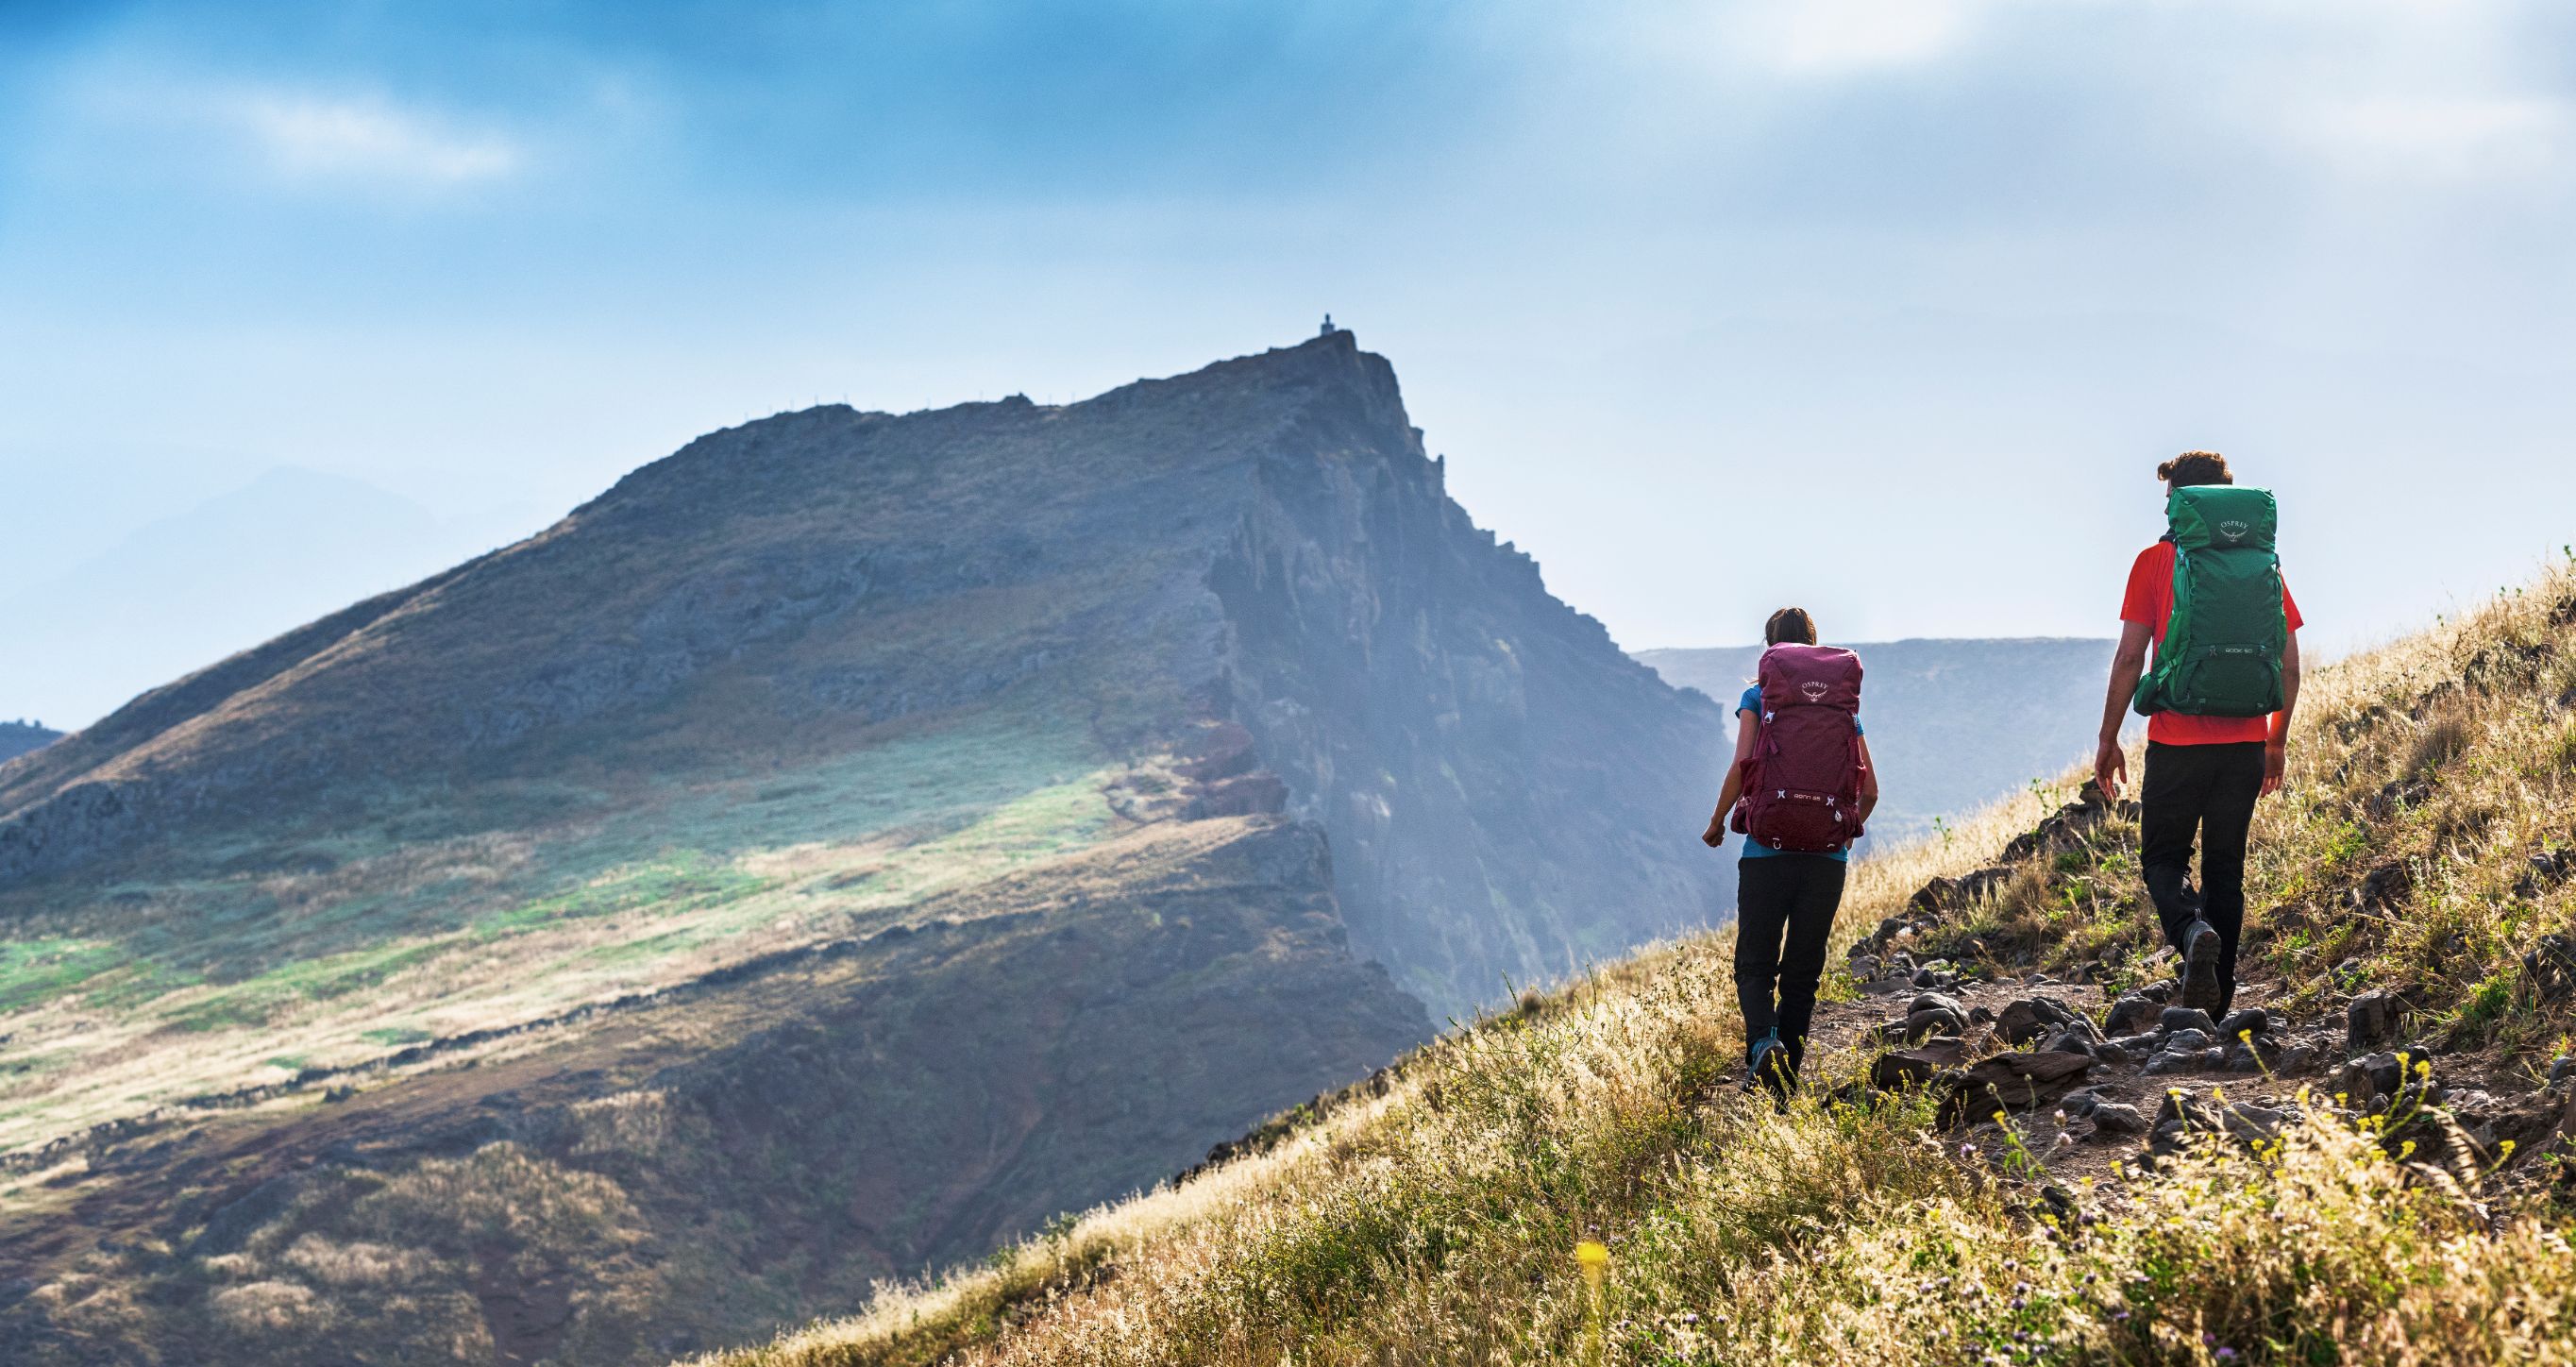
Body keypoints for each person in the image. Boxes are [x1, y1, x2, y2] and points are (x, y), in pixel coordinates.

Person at [2093, 451, 2302, 1017]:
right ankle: (2217, 1003)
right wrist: (2275, 742)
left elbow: (2130, 656)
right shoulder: (2263, 567)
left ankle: (2189, 934)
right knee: (2225, 869)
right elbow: (2288, 666)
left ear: (2182, 503)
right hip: (2243, 746)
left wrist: (2109, 739)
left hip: (2176, 743)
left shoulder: (2154, 562)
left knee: (2163, 860)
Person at [1701, 607, 1879, 1092]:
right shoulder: (1844, 708)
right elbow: (1870, 792)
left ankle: (1762, 1046)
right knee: (1803, 973)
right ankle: (1783, 1092)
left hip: (1766, 853)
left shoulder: (1759, 695)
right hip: (1826, 859)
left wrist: (1718, 822)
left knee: (1754, 964)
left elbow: (1743, 764)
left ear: (1771, 649)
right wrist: (1839, 832)